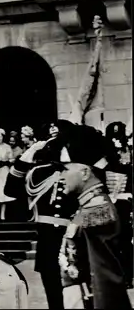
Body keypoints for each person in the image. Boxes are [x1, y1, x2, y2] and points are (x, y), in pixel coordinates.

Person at [5, 119, 77, 309]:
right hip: (49, 238)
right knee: (54, 295)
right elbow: (10, 190)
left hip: (77, 237)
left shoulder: (82, 170)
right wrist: (28, 153)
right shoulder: (38, 173)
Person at [57, 124, 131, 308]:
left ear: (84, 172)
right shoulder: (88, 207)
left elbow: (102, 277)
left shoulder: (98, 211)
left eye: (65, 169)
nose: (61, 176)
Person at [105, 121, 133, 289]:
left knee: (124, 241)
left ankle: (127, 275)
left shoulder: (129, 153)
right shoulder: (104, 155)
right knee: (110, 241)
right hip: (107, 201)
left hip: (123, 202)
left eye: (118, 134)